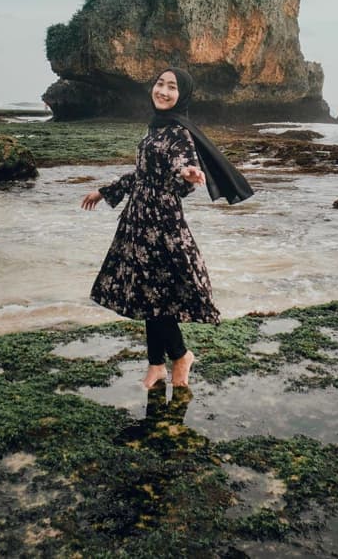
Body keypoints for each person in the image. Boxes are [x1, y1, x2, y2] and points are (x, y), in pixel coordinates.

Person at [82, 67, 254, 389]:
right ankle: (156, 365)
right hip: (137, 222)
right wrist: (106, 192)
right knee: (148, 293)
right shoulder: (153, 129)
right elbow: (141, 175)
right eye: (160, 84)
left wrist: (188, 173)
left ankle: (181, 355)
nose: (163, 91)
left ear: (182, 95)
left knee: (158, 293)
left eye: (171, 87)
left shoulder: (178, 132)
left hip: (162, 223)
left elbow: (183, 162)